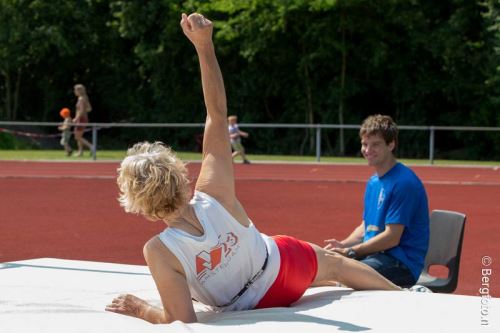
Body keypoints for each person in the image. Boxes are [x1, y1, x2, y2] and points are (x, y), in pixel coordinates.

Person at [104, 13, 401, 325]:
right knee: (334, 264)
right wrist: (205, 47)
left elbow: (181, 320)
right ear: (179, 174)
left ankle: (333, 282)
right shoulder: (213, 192)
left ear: (140, 205)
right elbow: (217, 114)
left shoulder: (160, 252)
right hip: (284, 270)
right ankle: (405, 296)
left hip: (243, 305)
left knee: (313, 264)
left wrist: (140, 309)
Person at [324, 115, 430, 288]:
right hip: (376, 256)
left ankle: (412, 293)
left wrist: (350, 252)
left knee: (340, 276)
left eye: (375, 144)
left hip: (401, 264)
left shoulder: (404, 183)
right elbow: (366, 226)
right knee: (324, 266)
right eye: (365, 144)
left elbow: (391, 238)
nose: (368, 150)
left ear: (391, 145)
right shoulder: (374, 182)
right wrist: (343, 245)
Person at [72, 83, 94, 157]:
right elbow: (89, 109)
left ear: (79, 90)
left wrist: (76, 118)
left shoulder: (81, 99)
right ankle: (80, 152)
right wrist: (83, 111)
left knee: (77, 137)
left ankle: (91, 147)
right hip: (83, 118)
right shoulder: (84, 98)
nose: (74, 91)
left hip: (81, 119)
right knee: (78, 136)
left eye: (75, 90)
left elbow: (81, 111)